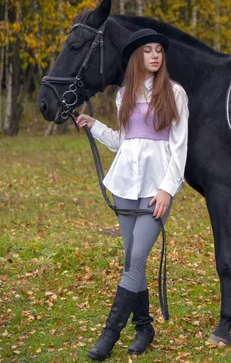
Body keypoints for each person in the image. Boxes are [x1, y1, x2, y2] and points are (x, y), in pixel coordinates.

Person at [76, 28, 189, 361]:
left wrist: (168, 189)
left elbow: (179, 147)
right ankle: (144, 327)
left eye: (159, 51)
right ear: (137, 58)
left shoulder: (175, 93)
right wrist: (93, 125)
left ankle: (109, 335)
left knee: (135, 259)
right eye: (147, 51)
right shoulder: (124, 94)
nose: (155, 56)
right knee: (132, 261)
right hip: (125, 186)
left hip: (157, 190)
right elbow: (121, 142)